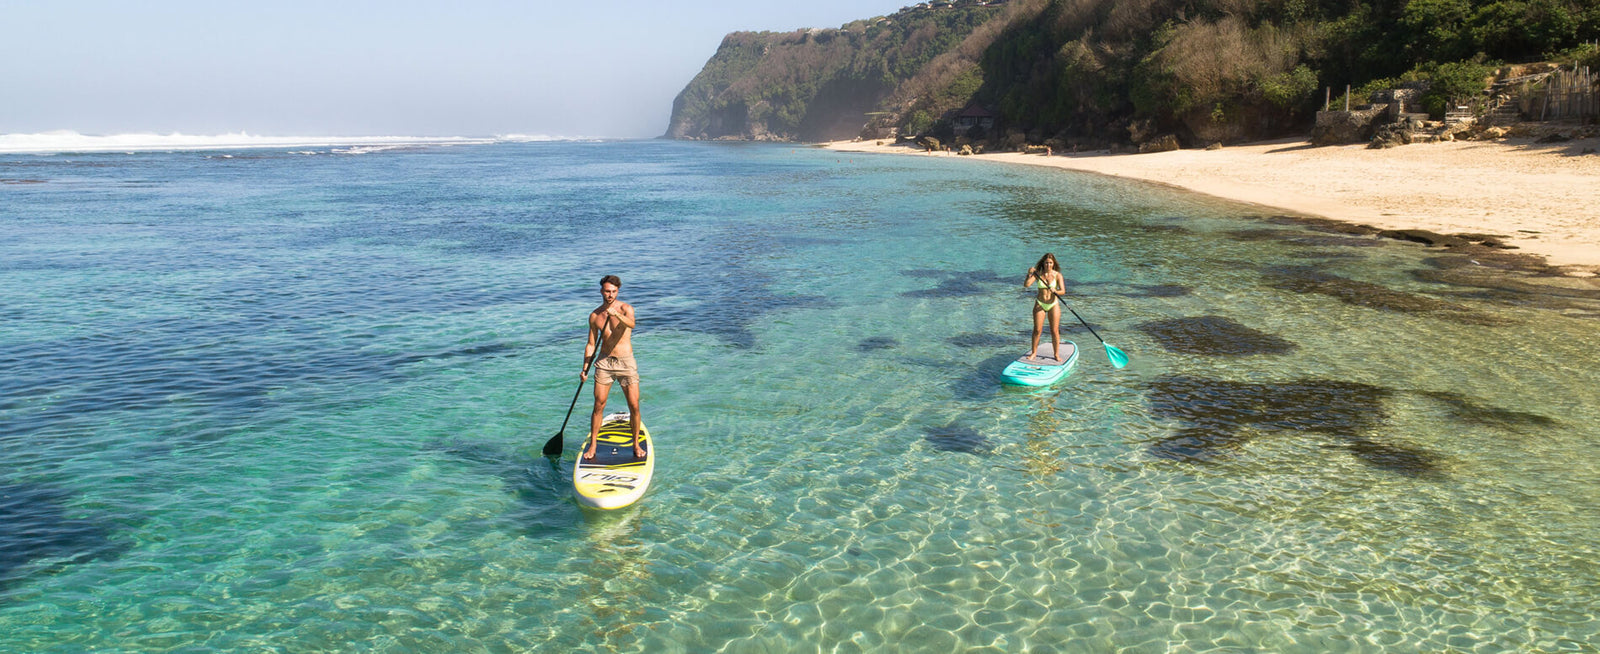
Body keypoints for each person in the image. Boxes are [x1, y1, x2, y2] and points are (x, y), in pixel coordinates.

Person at [581, 275, 644, 461]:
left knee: (634, 405)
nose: (610, 295)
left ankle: (635, 444)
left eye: (614, 292)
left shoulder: (626, 309)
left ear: (618, 291)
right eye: (607, 291)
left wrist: (616, 315)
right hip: (604, 363)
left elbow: (632, 324)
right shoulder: (594, 315)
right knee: (598, 405)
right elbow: (591, 344)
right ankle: (593, 445)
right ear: (601, 291)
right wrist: (585, 368)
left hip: (626, 362)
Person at [1024, 253, 1066, 362]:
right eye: (1046, 263)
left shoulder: (1057, 275)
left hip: (1053, 304)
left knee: (1054, 330)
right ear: (1043, 263)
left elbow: (1063, 291)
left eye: (1050, 263)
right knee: (1037, 330)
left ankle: (1056, 354)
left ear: (1053, 264)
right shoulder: (1038, 274)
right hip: (1040, 304)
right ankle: (1033, 353)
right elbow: (1027, 285)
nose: (1048, 265)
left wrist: (1055, 291)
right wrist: (1029, 274)